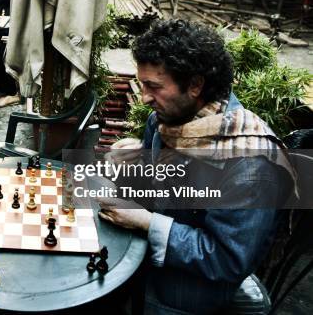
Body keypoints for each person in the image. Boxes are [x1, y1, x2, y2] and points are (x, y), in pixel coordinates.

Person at [99, 20, 293, 314]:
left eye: (154, 86)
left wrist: (147, 223)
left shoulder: (249, 162)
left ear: (195, 85)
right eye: (142, 84)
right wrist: (136, 161)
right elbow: (159, 190)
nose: (144, 98)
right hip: (142, 260)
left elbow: (228, 259)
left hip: (185, 295)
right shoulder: (166, 120)